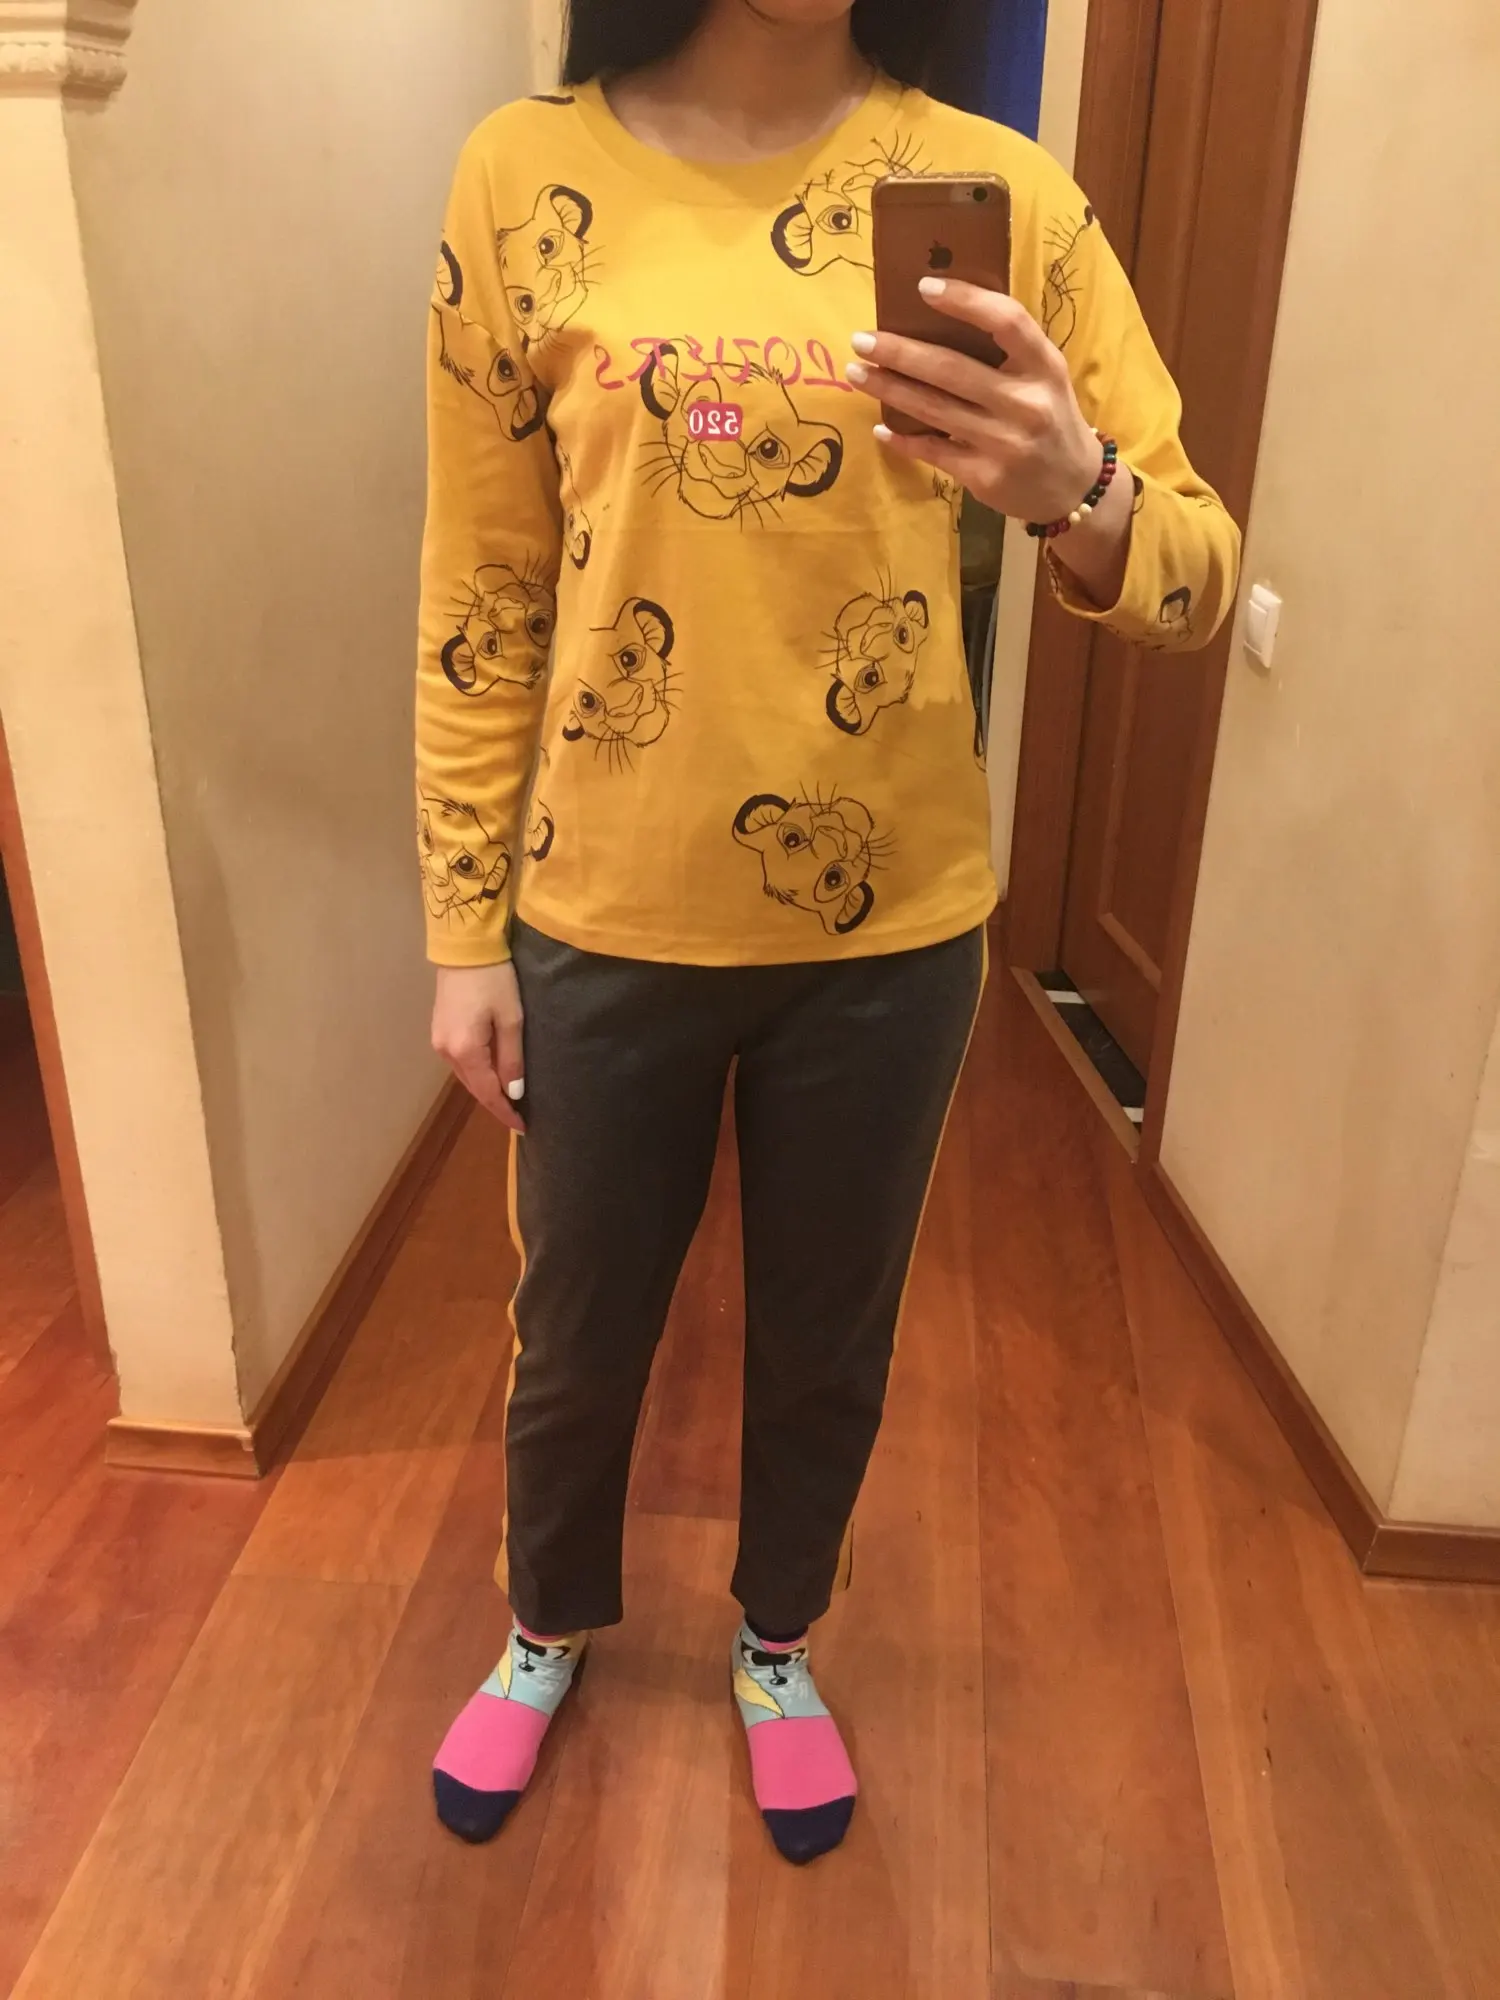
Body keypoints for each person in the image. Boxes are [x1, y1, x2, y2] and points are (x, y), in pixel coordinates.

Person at [419, 0, 1240, 1866]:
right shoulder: (521, 174)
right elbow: (481, 587)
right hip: (604, 906)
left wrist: (1072, 491)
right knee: (576, 1329)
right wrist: (465, 929)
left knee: (827, 1332)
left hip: (890, 935)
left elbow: (1195, 571)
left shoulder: (1003, 196)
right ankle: (545, 1625)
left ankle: (778, 1644)